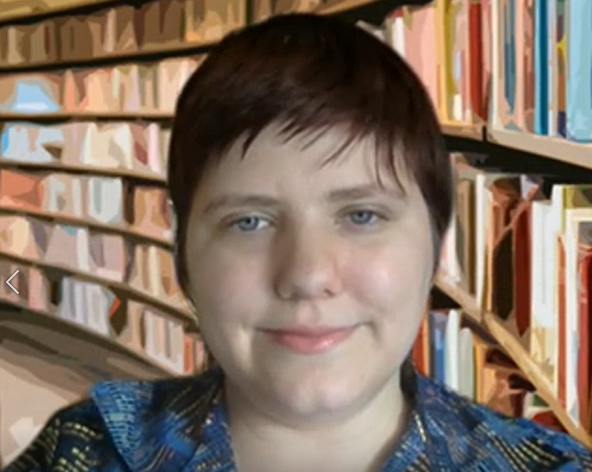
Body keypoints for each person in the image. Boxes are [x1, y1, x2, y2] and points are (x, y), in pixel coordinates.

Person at [4, 12, 592, 472]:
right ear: (182, 255)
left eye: (362, 215)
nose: (308, 275)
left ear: (437, 244)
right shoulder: (82, 451)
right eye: (249, 222)